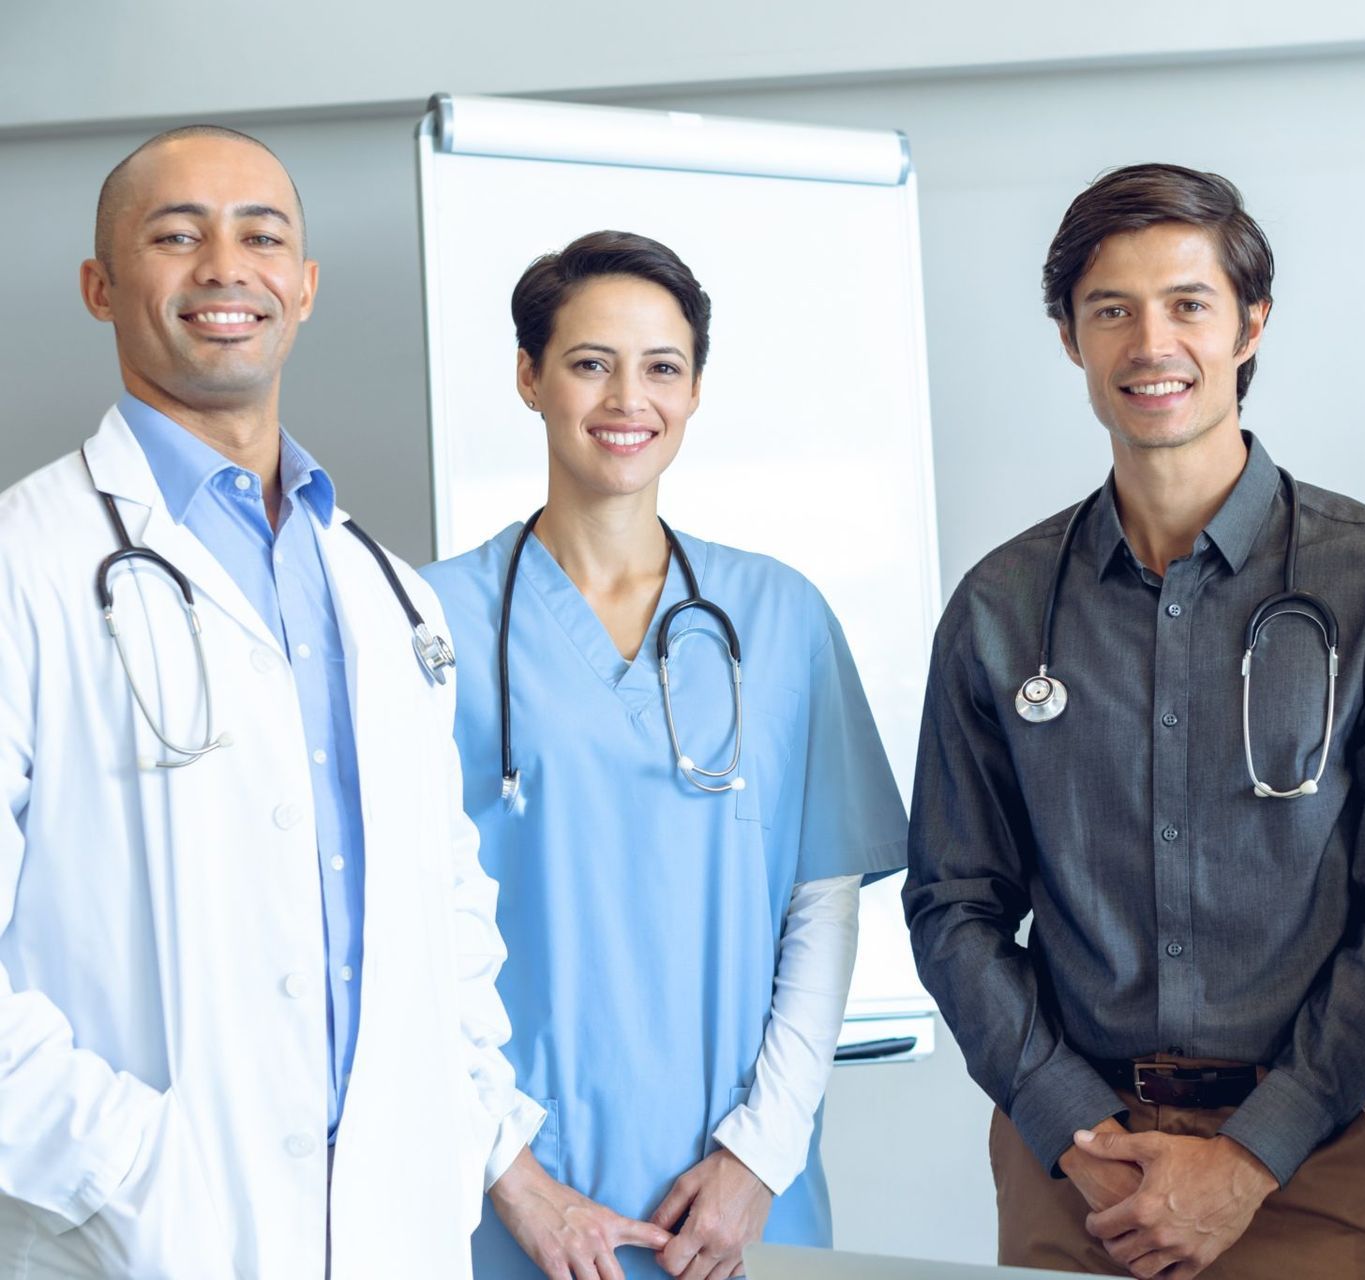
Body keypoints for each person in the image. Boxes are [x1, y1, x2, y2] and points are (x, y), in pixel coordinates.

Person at [905, 163, 1365, 1279]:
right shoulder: (1001, 606)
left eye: (1188, 304)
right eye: (1110, 311)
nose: (1149, 343)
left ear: (1250, 323)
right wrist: (1072, 1126)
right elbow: (954, 901)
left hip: (1308, 1153)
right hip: (1078, 1167)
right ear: (1070, 338)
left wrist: (1253, 1152)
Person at [0, 125, 545, 1276]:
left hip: (389, 1220)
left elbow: (448, 911)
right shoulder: (25, 563)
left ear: (302, 285)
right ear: (101, 287)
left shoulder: (386, 590)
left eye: (261, 235)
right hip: (140, 1229)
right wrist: (129, 1169)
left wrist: (459, 1138)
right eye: (175, 234)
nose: (223, 267)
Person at [422, 230, 907, 1280]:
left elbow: (821, 908)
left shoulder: (779, 615)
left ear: (693, 391)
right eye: (591, 361)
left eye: (661, 367)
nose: (625, 398)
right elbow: (396, 925)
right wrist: (516, 1178)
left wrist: (759, 1154)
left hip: (733, 1206)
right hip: (514, 1202)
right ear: (530, 377)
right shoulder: (428, 621)